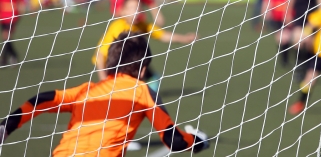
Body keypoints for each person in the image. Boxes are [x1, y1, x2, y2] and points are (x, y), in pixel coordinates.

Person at [0, 33, 209, 156]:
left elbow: (42, 100)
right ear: (143, 70)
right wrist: (198, 140)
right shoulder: (142, 92)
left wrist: (7, 125)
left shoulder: (88, 89)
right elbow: (175, 141)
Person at [93, 0, 196, 89]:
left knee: (151, 79)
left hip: (129, 61)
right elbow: (101, 54)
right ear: (122, 11)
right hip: (110, 63)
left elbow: (163, 35)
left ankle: (147, 97)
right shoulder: (118, 28)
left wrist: (184, 38)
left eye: (139, 8)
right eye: (132, 8)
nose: (136, 11)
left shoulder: (142, 25)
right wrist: (103, 77)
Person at [261, 0, 292, 66]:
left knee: (286, 37)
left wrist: (289, 13)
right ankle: (284, 59)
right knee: (280, 38)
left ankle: (286, 60)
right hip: (276, 16)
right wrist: (265, 11)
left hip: (288, 15)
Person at [0, 0, 24, 66]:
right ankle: (13, 56)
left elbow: (21, 0)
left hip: (13, 15)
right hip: (2, 15)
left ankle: (4, 59)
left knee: (6, 35)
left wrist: (21, 10)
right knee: (6, 37)